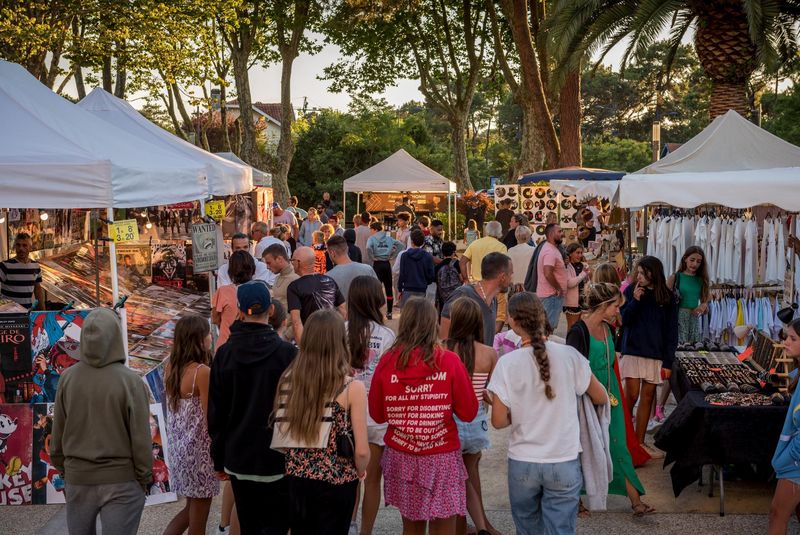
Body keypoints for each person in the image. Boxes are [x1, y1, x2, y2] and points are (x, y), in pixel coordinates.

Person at [487, 292, 608, 535]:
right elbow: (600, 396)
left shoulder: (507, 364)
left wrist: (520, 413)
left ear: (512, 321)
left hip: (523, 461)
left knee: (528, 529)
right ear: (543, 318)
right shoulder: (570, 356)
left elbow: (498, 421)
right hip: (563, 459)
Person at [368, 298, 478, 535]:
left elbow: (376, 414)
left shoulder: (387, 361)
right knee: (444, 526)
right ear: (434, 324)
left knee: (412, 527)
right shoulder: (449, 360)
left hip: (402, 455)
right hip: (442, 456)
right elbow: (469, 412)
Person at [51, 308, 152, 535]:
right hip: (121, 479)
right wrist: (144, 476)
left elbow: (58, 431)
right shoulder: (130, 381)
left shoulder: (67, 378)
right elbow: (140, 437)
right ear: (116, 337)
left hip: (78, 477)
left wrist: (65, 469)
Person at [208, 280, 297, 535]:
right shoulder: (287, 354)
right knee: (278, 524)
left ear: (238, 310)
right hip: (278, 456)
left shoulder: (225, 354)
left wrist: (218, 458)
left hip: (239, 456)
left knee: (248, 522)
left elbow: (216, 412)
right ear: (271, 311)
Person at [274, 309, 369, 534]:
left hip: (296, 478)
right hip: (338, 481)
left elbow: (282, 433)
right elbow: (363, 451)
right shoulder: (351, 388)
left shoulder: (289, 380)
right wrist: (360, 469)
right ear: (339, 342)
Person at [566, 283, 654, 517]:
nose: (618, 311)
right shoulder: (578, 332)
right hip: (586, 397)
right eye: (615, 306)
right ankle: (575, 499)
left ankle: (635, 500)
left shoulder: (608, 327)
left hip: (610, 394)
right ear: (603, 305)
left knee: (617, 444)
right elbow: (572, 370)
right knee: (583, 448)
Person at [345, 276, 396, 535]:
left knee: (348, 478)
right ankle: (366, 531)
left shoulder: (341, 330)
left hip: (345, 415)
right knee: (373, 480)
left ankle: (349, 525)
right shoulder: (387, 335)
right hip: (377, 416)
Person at [444, 297, 499, 535]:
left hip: (451, 418)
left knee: (457, 478)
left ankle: (461, 527)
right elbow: (491, 389)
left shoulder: (444, 350)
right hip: (476, 419)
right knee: (470, 472)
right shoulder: (489, 353)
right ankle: (482, 524)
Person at [164, 316, 219, 535]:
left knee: (190, 508)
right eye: (207, 333)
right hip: (200, 454)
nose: (210, 337)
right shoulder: (202, 372)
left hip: (180, 451)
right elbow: (210, 418)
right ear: (198, 339)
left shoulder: (171, 368)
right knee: (199, 519)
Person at [619, 256, 678, 457]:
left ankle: (640, 442)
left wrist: (668, 360)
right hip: (633, 349)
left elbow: (671, 332)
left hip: (655, 352)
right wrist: (635, 300)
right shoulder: (631, 290)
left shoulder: (667, 297)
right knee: (632, 394)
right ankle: (623, 438)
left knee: (647, 397)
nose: (640, 277)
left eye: (644, 273)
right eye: (639, 273)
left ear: (654, 273)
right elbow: (623, 320)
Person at [656, 246, 710, 423]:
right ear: (685, 259)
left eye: (699, 261)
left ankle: (685, 404)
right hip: (677, 321)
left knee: (690, 365)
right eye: (692, 260)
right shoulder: (675, 277)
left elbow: (705, 302)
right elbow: (663, 300)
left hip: (693, 323)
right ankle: (660, 406)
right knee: (673, 366)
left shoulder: (702, 280)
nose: (695, 264)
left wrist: (702, 307)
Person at [769, 318, 800, 534]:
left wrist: (785, 458)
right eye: (786, 337)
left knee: (778, 514)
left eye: (793, 338)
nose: (786, 342)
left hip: (795, 463)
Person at [441, 252, 512, 346]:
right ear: (502, 277)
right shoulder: (462, 295)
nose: (511, 279)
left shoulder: (494, 301)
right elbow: (444, 339)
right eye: (510, 274)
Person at [287, 247, 346, 344]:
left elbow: (296, 322)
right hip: (331, 338)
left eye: (292, 260)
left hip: (310, 340)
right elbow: (343, 310)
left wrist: (303, 348)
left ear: (298, 262)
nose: (292, 263)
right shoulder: (330, 281)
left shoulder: (294, 287)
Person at [212, 251, 255, 350]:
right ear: (252, 269)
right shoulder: (259, 292)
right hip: (250, 347)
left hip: (226, 346)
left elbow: (215, 319)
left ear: (231, 270)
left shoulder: (222, 291)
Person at [367, 222, 405, 319]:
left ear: (375, 230)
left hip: (377, 263)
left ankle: (375, 310)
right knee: (388, 289)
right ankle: (389, 312)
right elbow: (401, 245)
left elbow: (368, 248)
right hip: (386, 264)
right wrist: (392, 255)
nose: (370, 232)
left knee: (375, 289)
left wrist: (372, 257)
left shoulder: (372, 238)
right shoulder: (388, 238)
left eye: (371, 229)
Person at [534, 224, 568, 331]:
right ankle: (543, 348)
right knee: (547, 329)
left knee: (546, 328)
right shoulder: (550, 251)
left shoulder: (551, 248)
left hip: (550, 296)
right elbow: (547, 272)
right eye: (560, 231)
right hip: (551, 296)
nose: (562, 234)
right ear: (551, 234)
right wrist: (558, 288)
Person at [1, 232, 44, 309]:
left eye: (24, 245)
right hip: (8, 314)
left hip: (27, 312)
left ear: (30, 247)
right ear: (15, 247)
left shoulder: (36, 266)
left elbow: (38, 289)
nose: (21, 248)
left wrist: (43, 311)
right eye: (18, 245)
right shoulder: (5, 266)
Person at [327, 235, 377, 300]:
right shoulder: (368, 269)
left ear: (332, 253)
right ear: (347, 249)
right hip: (366, 309)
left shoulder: (328, 277)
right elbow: (378, 295)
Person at [398, 229, 435, 307]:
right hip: (421, 288)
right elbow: (431, 275)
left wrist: (399, 289)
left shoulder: (404, 255)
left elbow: (402, 274)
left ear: (411, 241)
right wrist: (425, 281)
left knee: (407, 315)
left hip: (407, 288)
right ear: (423, 241)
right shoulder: (427, 256)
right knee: (419, 315)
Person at [564, 243, 591, 331]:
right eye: (577, 253)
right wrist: (583, 274)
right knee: (572, 327)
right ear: (570, 253)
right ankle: (570, 344)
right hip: (571, 302)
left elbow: (588, 282)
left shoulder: (584, 265)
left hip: (584, 300)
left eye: (581, 253)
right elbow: (570, 283)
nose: (580, 255)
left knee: (583, 327)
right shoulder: (567, 267)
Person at [506, 225, 534, 293]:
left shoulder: (510, 251)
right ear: (528, 237)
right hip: (529, 287)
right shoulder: (533, 250)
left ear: (516, 236)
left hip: (514, 287)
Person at [436, 241, 462, 312]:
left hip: (443, 298)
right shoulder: (456, 263)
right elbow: (461, 278)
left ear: (443, 252)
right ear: (453, 252)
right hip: (456, 296)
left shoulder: (438, 266)